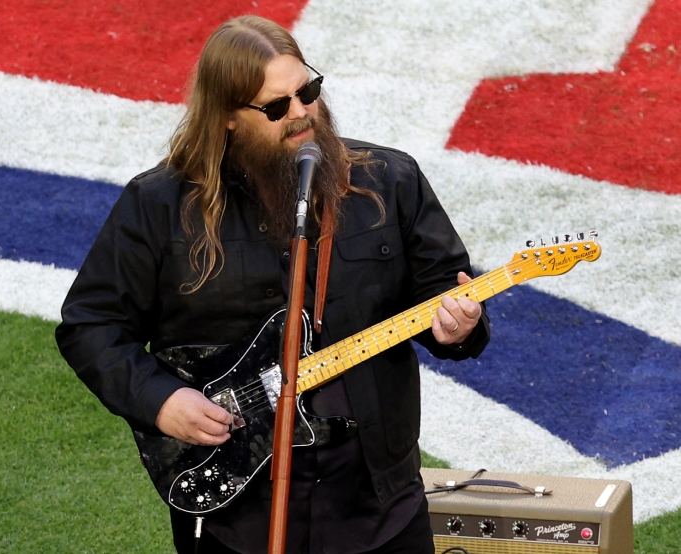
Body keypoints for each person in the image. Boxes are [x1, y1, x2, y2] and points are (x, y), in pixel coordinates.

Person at [56, 15, 489, 554]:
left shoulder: (390, 180)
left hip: (378, 499)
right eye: (276, 106)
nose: (302, 113)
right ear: (228, 118)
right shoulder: (159, 205)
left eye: (307, 90)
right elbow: (91, 326)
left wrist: (460, 328)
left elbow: (443, 296)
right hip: (238, 510)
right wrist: (162, 401)